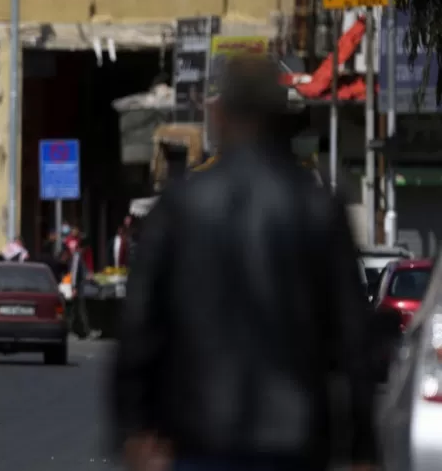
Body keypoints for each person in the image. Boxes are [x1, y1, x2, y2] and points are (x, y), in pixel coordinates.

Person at [111, 56, 377, 471]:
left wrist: (134, 429)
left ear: (218, 116)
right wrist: (362, 447)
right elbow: (353, 337)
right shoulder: (317, 208)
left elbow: (139, 326)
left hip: (201, 437)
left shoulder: (181, 206)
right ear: (283, 121)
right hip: (295, 443)